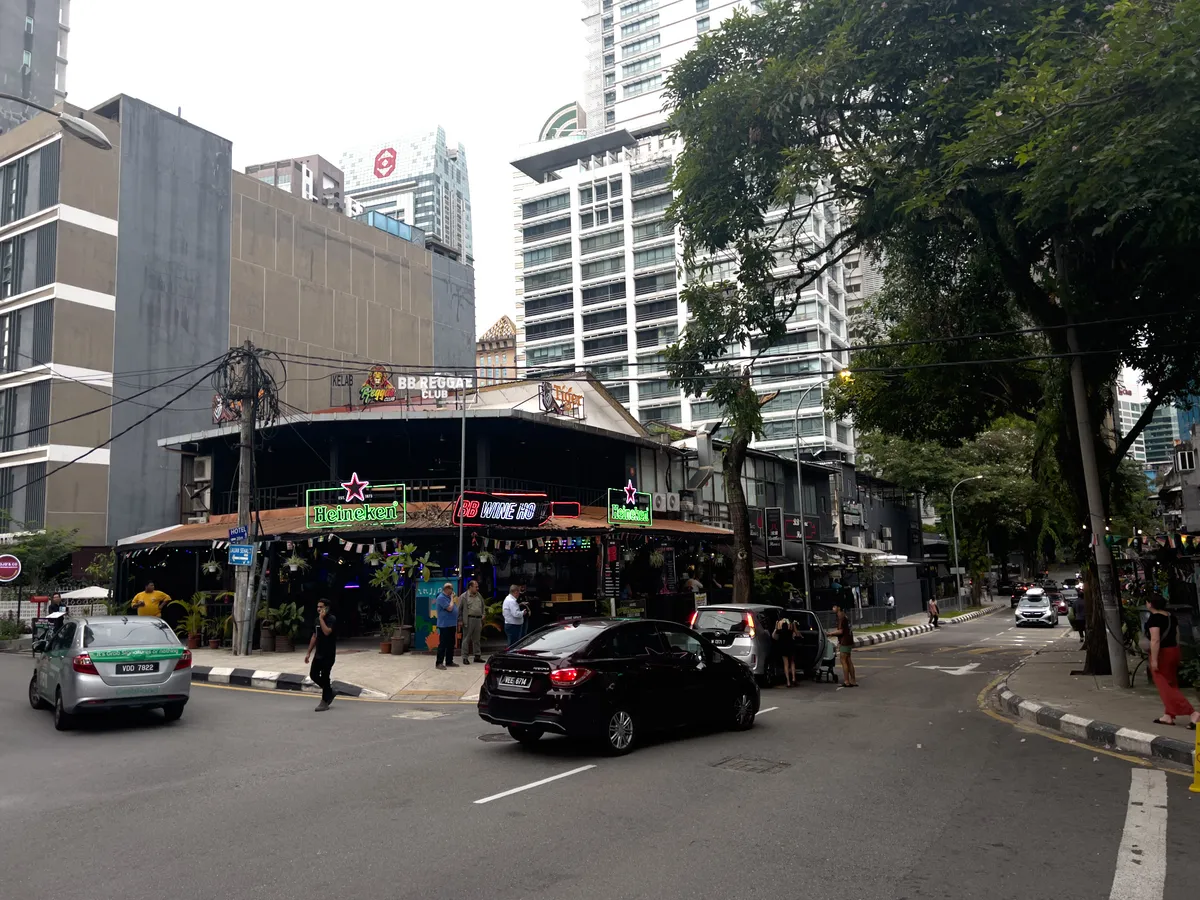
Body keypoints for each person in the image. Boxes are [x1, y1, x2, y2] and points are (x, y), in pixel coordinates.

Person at [1145, 594, 1199, 729]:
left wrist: (1154, 660)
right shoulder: (1170, 616)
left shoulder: (1154, 619)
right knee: (1171, 683)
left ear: (1150, 604)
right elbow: (1177, 635)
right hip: (1173, 650)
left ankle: (1192, 713)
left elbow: (1155, 640)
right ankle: (1168, 715)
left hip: (1162, 653)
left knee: (1165, 686)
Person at [303, 599, 337, 712]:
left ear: (327, 608)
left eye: (321, 607)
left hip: (329, 654)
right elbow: (314, 636)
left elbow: (327, 632)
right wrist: (308, 652)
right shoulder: (316, 620)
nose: (318, 609)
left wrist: (322, 619)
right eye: (318, 606)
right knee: (313, 674)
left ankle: (324, 702)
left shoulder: (331, 619)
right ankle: (329, 692)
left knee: (325, 677)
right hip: (319, 653)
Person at [828, 604, 858, 687]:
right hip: (849, 639)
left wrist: (830, 633)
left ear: (838, 607)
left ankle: (846, 681)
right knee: (848, 660)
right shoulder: (844, 615)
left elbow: (840, 631)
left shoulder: (840, 616)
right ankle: (853, 680)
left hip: (845, 641)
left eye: (834, 606)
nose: (833, 608)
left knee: (843, 660)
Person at [460, 580, 486, 665]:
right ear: (470, 587)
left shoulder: (479, 595)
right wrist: (460, 620)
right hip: (468, 619)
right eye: (476, 587)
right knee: (466, 639)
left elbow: (483, 606)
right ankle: (465, 657)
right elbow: (459, 609)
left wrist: (483, 614)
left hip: (478, 620)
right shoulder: (464, 596)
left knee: (477, 639)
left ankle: (477, 656)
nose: (477, 588)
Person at [434, 583, 459, 670]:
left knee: (451, 643)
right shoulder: (441, 598)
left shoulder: (448, 597)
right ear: (447, 589)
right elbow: (450, 608)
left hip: (452, 624)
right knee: (443, 644)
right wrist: (452, 598)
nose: (452, 591)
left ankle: (449, 661)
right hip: (444, 625)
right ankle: (439, 662)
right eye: (451, 589)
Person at [773, 616, 798, 687]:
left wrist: (776, 628)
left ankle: (788, 682)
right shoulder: (790, 627)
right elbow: (795, 635)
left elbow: (774, 636)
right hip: (791, 645)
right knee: (792, 662)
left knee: (786, 664)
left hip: (783, 647)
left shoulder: (779, 628)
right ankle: (793, 678)